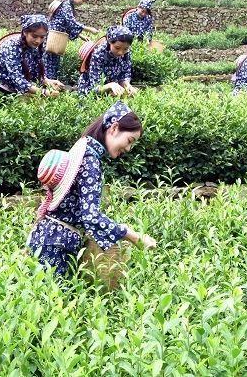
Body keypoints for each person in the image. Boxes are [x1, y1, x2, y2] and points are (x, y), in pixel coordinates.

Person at [27, 101, 157, 277]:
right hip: (56, 246)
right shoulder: (90, 161)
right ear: (114, 128)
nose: (128, 148)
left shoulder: (83, 150)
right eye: (129, 140)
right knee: (52, 300)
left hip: (48, 239)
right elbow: (91, 216)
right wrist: (133, 236)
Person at [0, 14, 64, 107]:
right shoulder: (12, 46)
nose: (38, 41)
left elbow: (35, 74)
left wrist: (49, 82)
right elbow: (18, 80)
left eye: (42, 37)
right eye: (34, 36)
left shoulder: (35, 48)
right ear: (25, 32)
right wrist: (43, 92)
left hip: (10, 93)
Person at [43, 0, 100, 81]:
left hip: (58, 38)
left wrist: (80, 36)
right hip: (53, 37)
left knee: (54, 62)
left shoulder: (69, 6)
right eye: (82, 0)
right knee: (49, 61)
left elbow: (68, 25)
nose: (82, 3)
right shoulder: (66, 5)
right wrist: (89, 29)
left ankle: (52, 84)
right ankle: (47, 84)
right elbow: (72, 23)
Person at [77, 26, 138, 97]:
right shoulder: (99, 53)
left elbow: (125, 73)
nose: (120, 52)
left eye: (125, 49)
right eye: (117, 48)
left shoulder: (127, 52)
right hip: (90, 89)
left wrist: (127, 85)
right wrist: (110, 85)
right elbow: (95, 87)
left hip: (114, 87)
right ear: (110, 42)